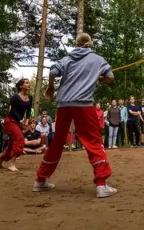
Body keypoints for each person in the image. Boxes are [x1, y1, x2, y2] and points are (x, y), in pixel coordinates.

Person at [33, 33, 116, 198]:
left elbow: (53, 71)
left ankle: (40, 180)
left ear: (77, 44)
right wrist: (101, 78)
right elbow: (110, 77)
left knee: (57, 141)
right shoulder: (98, 59)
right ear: (90, 44)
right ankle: (101, 184)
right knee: (93, 141)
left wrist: (50, 88)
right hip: (83, 104)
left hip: (64, 104)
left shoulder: (67, 58)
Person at [0, 78, 33, 172]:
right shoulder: (14, 97)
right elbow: (13, 111)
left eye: (29, 83)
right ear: (21, 86)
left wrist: (26, 122)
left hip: (17, 122)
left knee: (12, 144)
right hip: (10, 121)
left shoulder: (30, 97)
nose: (29, 84)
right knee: (19, 138)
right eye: (26, 83)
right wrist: (21, 121)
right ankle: (12, 164)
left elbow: (28, 111)